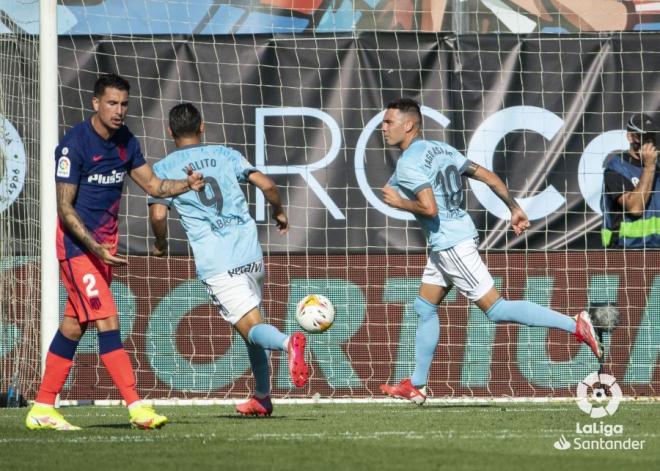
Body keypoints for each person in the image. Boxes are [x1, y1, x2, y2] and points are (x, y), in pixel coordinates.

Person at [378, 98, 602, 404]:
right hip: (450, 240)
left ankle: (575, 323)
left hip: (450, 242)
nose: (384, 127)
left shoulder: (408, 163)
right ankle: (416, 384)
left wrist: (399, 202)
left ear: (409, 125)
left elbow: (428, 208)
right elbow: (488, 176)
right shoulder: (441, 149)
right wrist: (514, 208)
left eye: (389, 122)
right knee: (424, 307)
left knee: (496, 310)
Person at [26, 74, 205, 431]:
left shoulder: (126, 142)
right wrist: (94, 249)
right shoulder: (73, 145)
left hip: (103, 251)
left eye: (124, 104)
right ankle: (137, 406)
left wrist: (186, 184)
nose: (119, 111)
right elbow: (65, 208)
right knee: (109, 320)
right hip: (79, 249)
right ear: (95, 103)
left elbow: (153, 184)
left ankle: (43, 407)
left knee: (73, 327)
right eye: (111, 103)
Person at [148, 103, 309, 417]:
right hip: (250, 252)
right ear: (202, 126)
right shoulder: (226, 154)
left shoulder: (163, 168)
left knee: (251, 328)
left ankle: (289, 343)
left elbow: (157, 214)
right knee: (251, 326)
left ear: (170, 132)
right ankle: (262, 397)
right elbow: (267, 185)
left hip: (218, 260)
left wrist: (161, 244)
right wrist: (278, 210)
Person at [601, 113, 659, 248]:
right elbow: (635, 208)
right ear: (630, 137)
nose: (649, 142)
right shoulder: (616, 168)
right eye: (644, 137)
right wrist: (649, 166)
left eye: (652, 136)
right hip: (626, 249)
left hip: (657, 248)